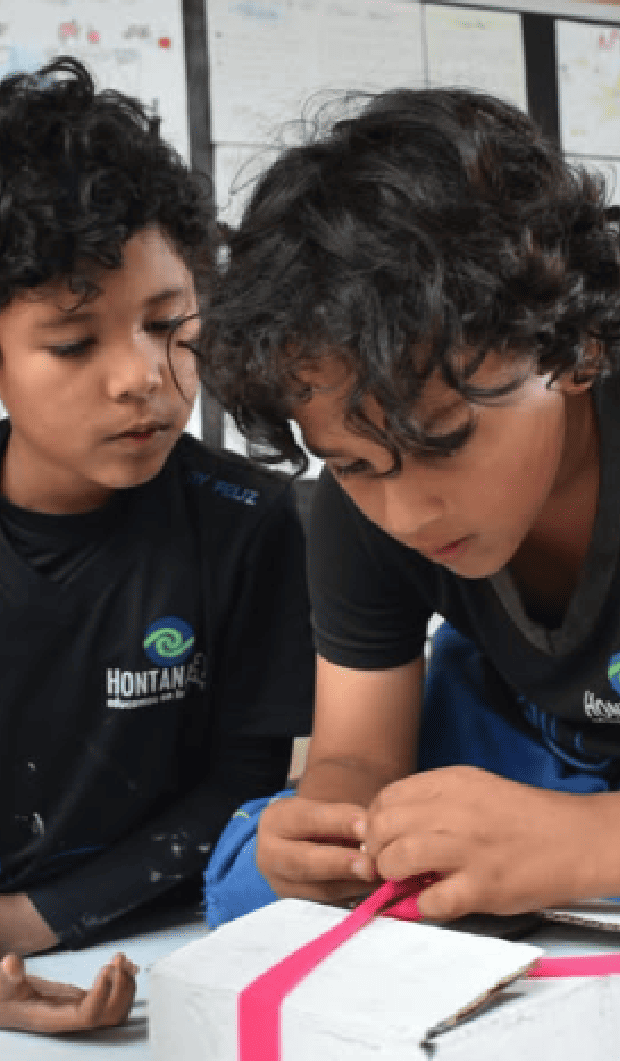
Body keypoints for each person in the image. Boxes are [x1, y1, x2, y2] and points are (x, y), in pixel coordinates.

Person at [198, 84, 620, 925]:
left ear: (577, 347)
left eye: (443, 439)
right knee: (253, 870)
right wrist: (337, 831)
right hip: (537, 741)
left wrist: (582, 843)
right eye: (352, 465)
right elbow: (357, 756)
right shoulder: (363, 488)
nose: (405, 515)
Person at [0, 58, 314, 1034]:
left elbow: (242, 781)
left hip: (172, 943)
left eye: (169, 325)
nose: (142, 377)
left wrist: (35, 920)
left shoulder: (249, 518)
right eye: (73, 342)